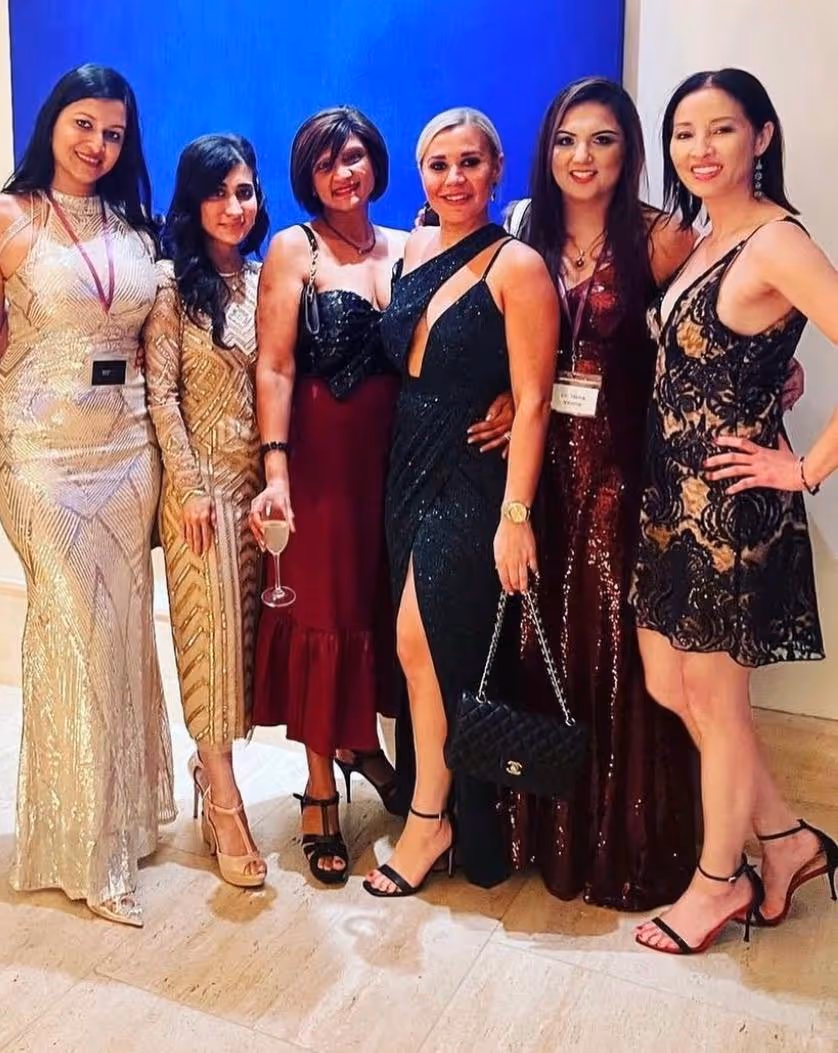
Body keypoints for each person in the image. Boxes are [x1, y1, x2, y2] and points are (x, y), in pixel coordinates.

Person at [632, 69, 836, 954]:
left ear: (761, 135)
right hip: (666, 501)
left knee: (718, 705)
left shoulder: (779, 241)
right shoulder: (707, 235)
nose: (700, 148)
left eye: (721, 129)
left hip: (728, 515)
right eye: (684, 132)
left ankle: (720, 881)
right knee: (667, 683)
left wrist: (805, 469)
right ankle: (789, 840)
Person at [0, 64, 172, 926]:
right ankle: (89, 852)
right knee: (78, 627)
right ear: (53, 123)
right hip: (40, 449)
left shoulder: (133, 223)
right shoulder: (3, 218)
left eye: (113, 132)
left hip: (127, 446)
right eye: (82, 125)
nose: (96, 144)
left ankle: (120, 815)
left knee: (122, 629)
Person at [505, 77, 700, 909]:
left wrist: (781, 371)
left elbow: (706, 339)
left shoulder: (664, 240)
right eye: (567, 141)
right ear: (548, 151)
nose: (582, 158)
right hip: (536, 465)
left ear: (630, 152)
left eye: (603, 140)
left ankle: (626, 839)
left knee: (618, 641)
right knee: (542, 634)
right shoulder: (522, 230)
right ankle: (542, 830)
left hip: (623, 470)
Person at [364, 108, 558, 896]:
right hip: (407, 463)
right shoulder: (414, 246)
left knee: (425, 642)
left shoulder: (518, 266)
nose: (453, 178)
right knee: (421, 647)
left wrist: (516, 518)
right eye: (437, 164)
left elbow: (537, 398)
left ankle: (430, 818)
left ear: (498, 168)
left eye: (469, 163)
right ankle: (436, 806)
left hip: (475, 476)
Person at [249, 106, 408, 886]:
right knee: (324, 613)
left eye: (354, 156)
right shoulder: (294, 247)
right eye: (326, 163)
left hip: (402, 459)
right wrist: (275, 467)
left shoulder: (412, 247)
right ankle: (319, 791)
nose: (344, 173)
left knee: (380, 608)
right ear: (308, 177)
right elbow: (274, 365)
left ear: (374, 160)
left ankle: (363, 745)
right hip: (320, 458)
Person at [144, 134, 269, 888]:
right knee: (208, 642)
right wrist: (187, 486)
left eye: (245, 192)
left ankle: (209, 763)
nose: (234, 207)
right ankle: (223, 799)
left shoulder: (265, 278)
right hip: (200, 492)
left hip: (259, 489)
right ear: (193, 202)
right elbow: (160, 394)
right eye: (218, 193)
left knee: (248, 645)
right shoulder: (170, 288)